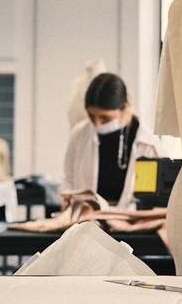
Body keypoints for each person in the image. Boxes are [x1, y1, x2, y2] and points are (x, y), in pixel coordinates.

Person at [62, 73, 161, 208]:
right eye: (91, 116)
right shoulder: (79, 135)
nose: (97, 124)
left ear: (125, 107)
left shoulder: (148, 143)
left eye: (105, 118)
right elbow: (69, 179)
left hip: (130, 221)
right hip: (87, 220)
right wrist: (68, 201)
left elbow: (149, 197)